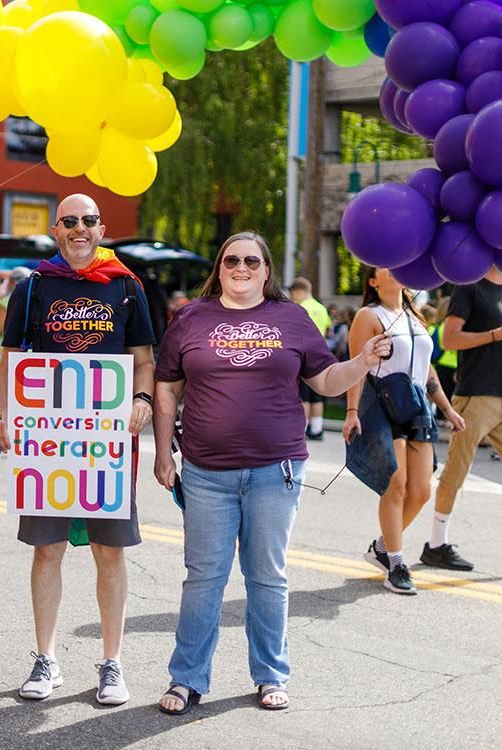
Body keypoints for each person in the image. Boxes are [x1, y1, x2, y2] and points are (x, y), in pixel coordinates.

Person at [152, 231, 391, 715]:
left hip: (275, 471)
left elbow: (323, 380)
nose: (241, 267)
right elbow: (166, 390)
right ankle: (186, 679)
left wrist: (362, 362)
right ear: (219, 268)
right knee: (203, 578)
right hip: (205, 472)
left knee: (267, 577)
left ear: (266, 271)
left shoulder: (291, 318)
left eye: (251, 261)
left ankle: (269, 675)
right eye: (231, 260)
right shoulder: (191, 319)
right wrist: (162, 453)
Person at [0, 194, 156, 707]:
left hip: (107, 443)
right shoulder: (34, 286)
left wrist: (143, 399)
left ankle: (112, 662)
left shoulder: (127, 286)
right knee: (47, 550)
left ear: (101, 228)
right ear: (56, 230)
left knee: (111, 551)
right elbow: (10, 358)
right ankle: (45, 658)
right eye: (69, 221)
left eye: (88, 221)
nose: (79, 229)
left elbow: (144, 360)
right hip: (49, 441)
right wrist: (3, 412)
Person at [343, 267, 465, 595]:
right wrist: (352, 411)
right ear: (373, 281)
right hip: (383, 403)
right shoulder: (369, 316)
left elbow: (427, 373)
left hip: (418, 407)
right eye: (385, 266)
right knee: (396, 486)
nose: (395, 268)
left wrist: (448, 408)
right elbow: (357, 367)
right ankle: (396, 563)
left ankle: (383, 547)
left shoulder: (414, 316)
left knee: (421, 491)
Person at [426, 266, 502, 571]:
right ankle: (436, 544)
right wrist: (495, 334)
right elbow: (450, 340)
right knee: (456, 471)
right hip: (477, 394)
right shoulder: (469, 285)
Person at [289, 277, 332, 440]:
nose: (293, 298)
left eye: (293, 294)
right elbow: (328, 329)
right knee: (317, 395)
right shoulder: (322, 308)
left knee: (303, 395)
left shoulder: (300, 308)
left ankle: (303, 429)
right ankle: (317, 428)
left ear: (299, 291)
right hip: (320, 352)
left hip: (303, 352)